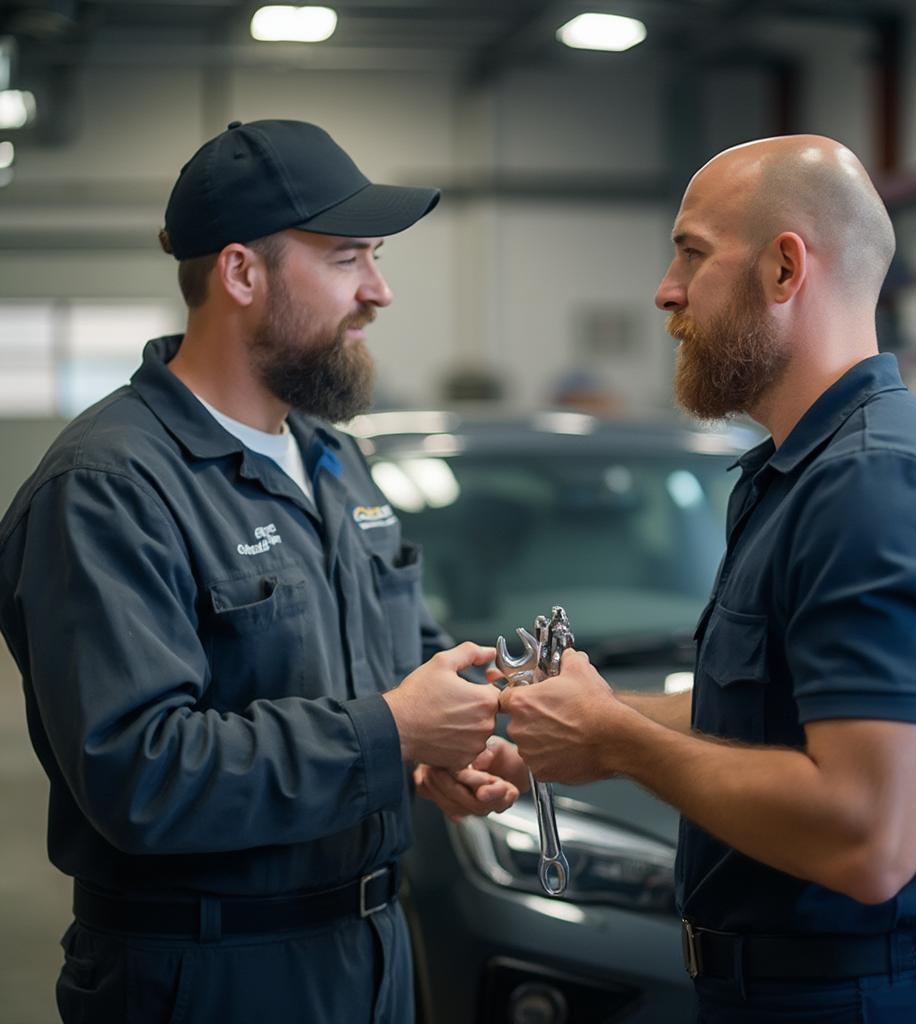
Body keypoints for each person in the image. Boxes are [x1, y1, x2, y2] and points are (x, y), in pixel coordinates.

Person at [0, 119, 529, 1024]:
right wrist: (391, 735)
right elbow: (141, 773)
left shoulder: (333, 460)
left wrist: (444, 746)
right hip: (209, 971)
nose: (380, 291)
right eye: (348, 258)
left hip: (371, 950)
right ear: (242, 273)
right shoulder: (109, 486)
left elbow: (394, 665)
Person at [499, 135, 916, 1023]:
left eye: (692, 253)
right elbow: (756, 713)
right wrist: (579, 718)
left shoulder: (876, 486)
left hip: (860, 1000)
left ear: (785, 269)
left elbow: (866, 836)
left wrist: (620, 746)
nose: (666, 289)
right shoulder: (800, 474)